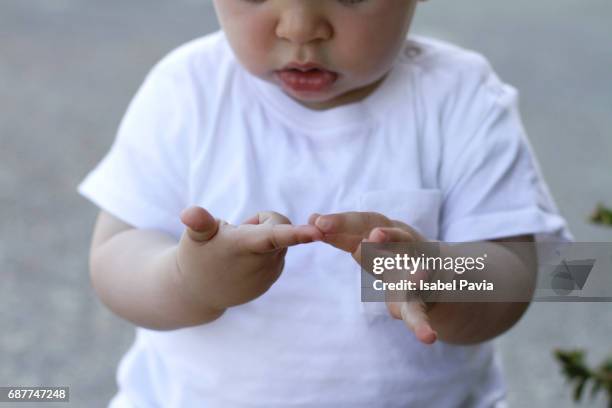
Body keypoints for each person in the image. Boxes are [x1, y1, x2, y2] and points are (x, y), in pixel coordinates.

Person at [77, 0, 573, 406]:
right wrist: (188, 280)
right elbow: (116, 251)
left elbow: (516, 271)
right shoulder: (187, 90)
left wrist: (442, 275)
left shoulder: (461, 97)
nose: (300, 28)